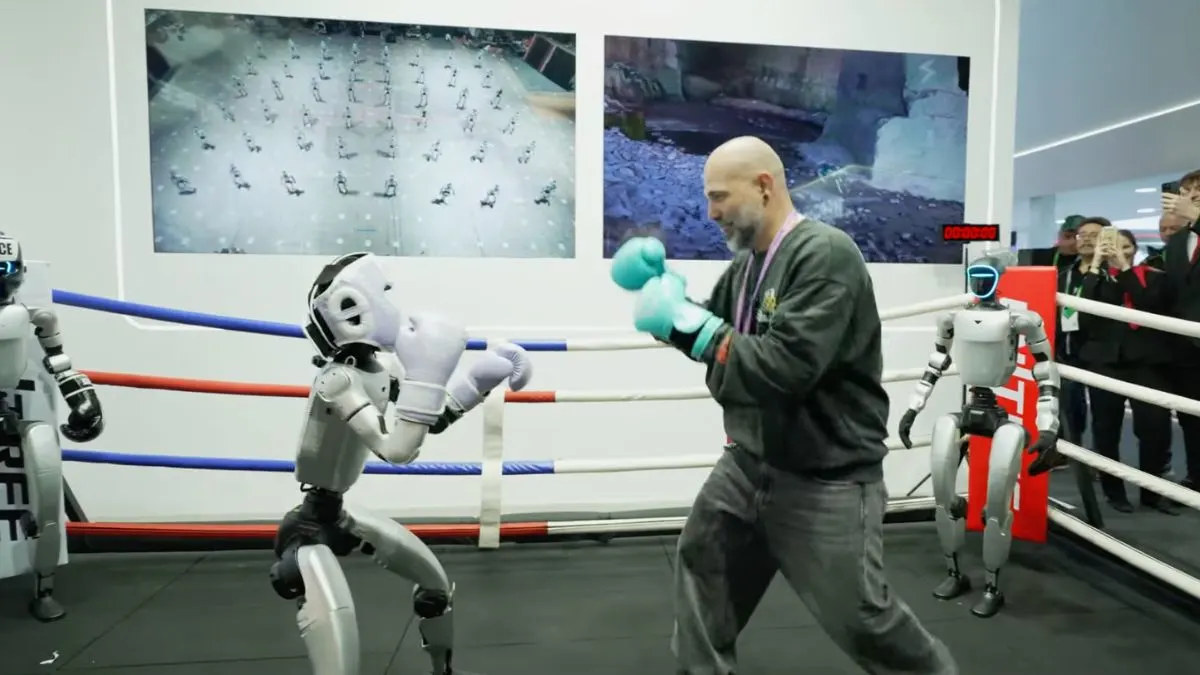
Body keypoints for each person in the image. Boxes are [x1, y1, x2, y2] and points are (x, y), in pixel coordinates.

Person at [610, 136, 957, 675]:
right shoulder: (750, 264)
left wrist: (688, 323)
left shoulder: (825, 255)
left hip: (826, 477)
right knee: (703, 565)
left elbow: (781, 368)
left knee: (863, 619)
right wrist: (667, 299)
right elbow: (715, 329)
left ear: (764, 187)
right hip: (749, 463)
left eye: (720, 196)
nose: (712, 212)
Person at [1077, 229, 1179, 514]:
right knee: (1106, 429)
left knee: (1155, 429)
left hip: (1147, 362)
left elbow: (1147, 304)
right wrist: (1096, 263)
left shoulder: (1155, 277)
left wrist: (1124, 267)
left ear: (1134, 248)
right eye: (1110, 246)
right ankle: (1113, 492)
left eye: (1124, 246)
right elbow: (1085, 316)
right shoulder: (1097, 279)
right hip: (1105, 363)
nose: (1115, 250)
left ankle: (1153, 492)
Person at [1158, 170, 1200, 490]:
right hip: (1185, 349)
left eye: (1198, 190)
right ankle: (1196, 475)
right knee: (1191, 418)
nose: (1191, 195)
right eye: (1187, 190)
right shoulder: (1176, 243)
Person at [1056, 218, 1103, 449]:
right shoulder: (1065, 275)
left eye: (1093, 235)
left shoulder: (1112, 274)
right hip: (1069, 350)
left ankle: (1103, 459)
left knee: (1104, 414)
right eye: (1082, 235)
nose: (1085, 239)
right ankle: (1072, 453)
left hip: (1103, 354)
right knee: (1070, 408)